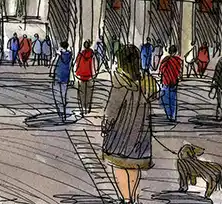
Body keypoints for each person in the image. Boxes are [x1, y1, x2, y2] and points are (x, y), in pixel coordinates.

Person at [102, 44, 159, 204]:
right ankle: (132, 196)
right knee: (135, 165)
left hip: (120, 131)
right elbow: (155, 94)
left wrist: (106, 125)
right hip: (141, 129)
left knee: (120, 165)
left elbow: (112, 109)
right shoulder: (145, 80)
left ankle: (126, 199)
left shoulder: (119, 82)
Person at [50, 41, 73, 122]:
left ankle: (60, 111)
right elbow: (71, 65)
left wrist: (51, 72)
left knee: (56, 93)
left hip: (58, 74)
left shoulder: (59, 54)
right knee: (64, 93)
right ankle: (64, 109)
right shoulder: (70, 54)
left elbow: (54, 63)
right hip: (66, 75)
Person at [158, 45, 182, 122]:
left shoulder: (166, 60)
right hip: (174, 82)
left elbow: (161, 70)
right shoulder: (178, 60)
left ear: (169, 51)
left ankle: (168, 114)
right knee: (173, 99)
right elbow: (179, 71)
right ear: (175, 52)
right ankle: (173, 115)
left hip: (166, 81)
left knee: (166, 99)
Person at [75, 40, 98, 116]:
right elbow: (94, 64)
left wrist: (77, 72)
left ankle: (82, 106)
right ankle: (88, 106)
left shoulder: (81, 54)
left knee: (82, 92)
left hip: (82, 75)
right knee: (89, 92)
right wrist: (95, 73)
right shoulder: (92, 54)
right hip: (90, 75)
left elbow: (77, 63)